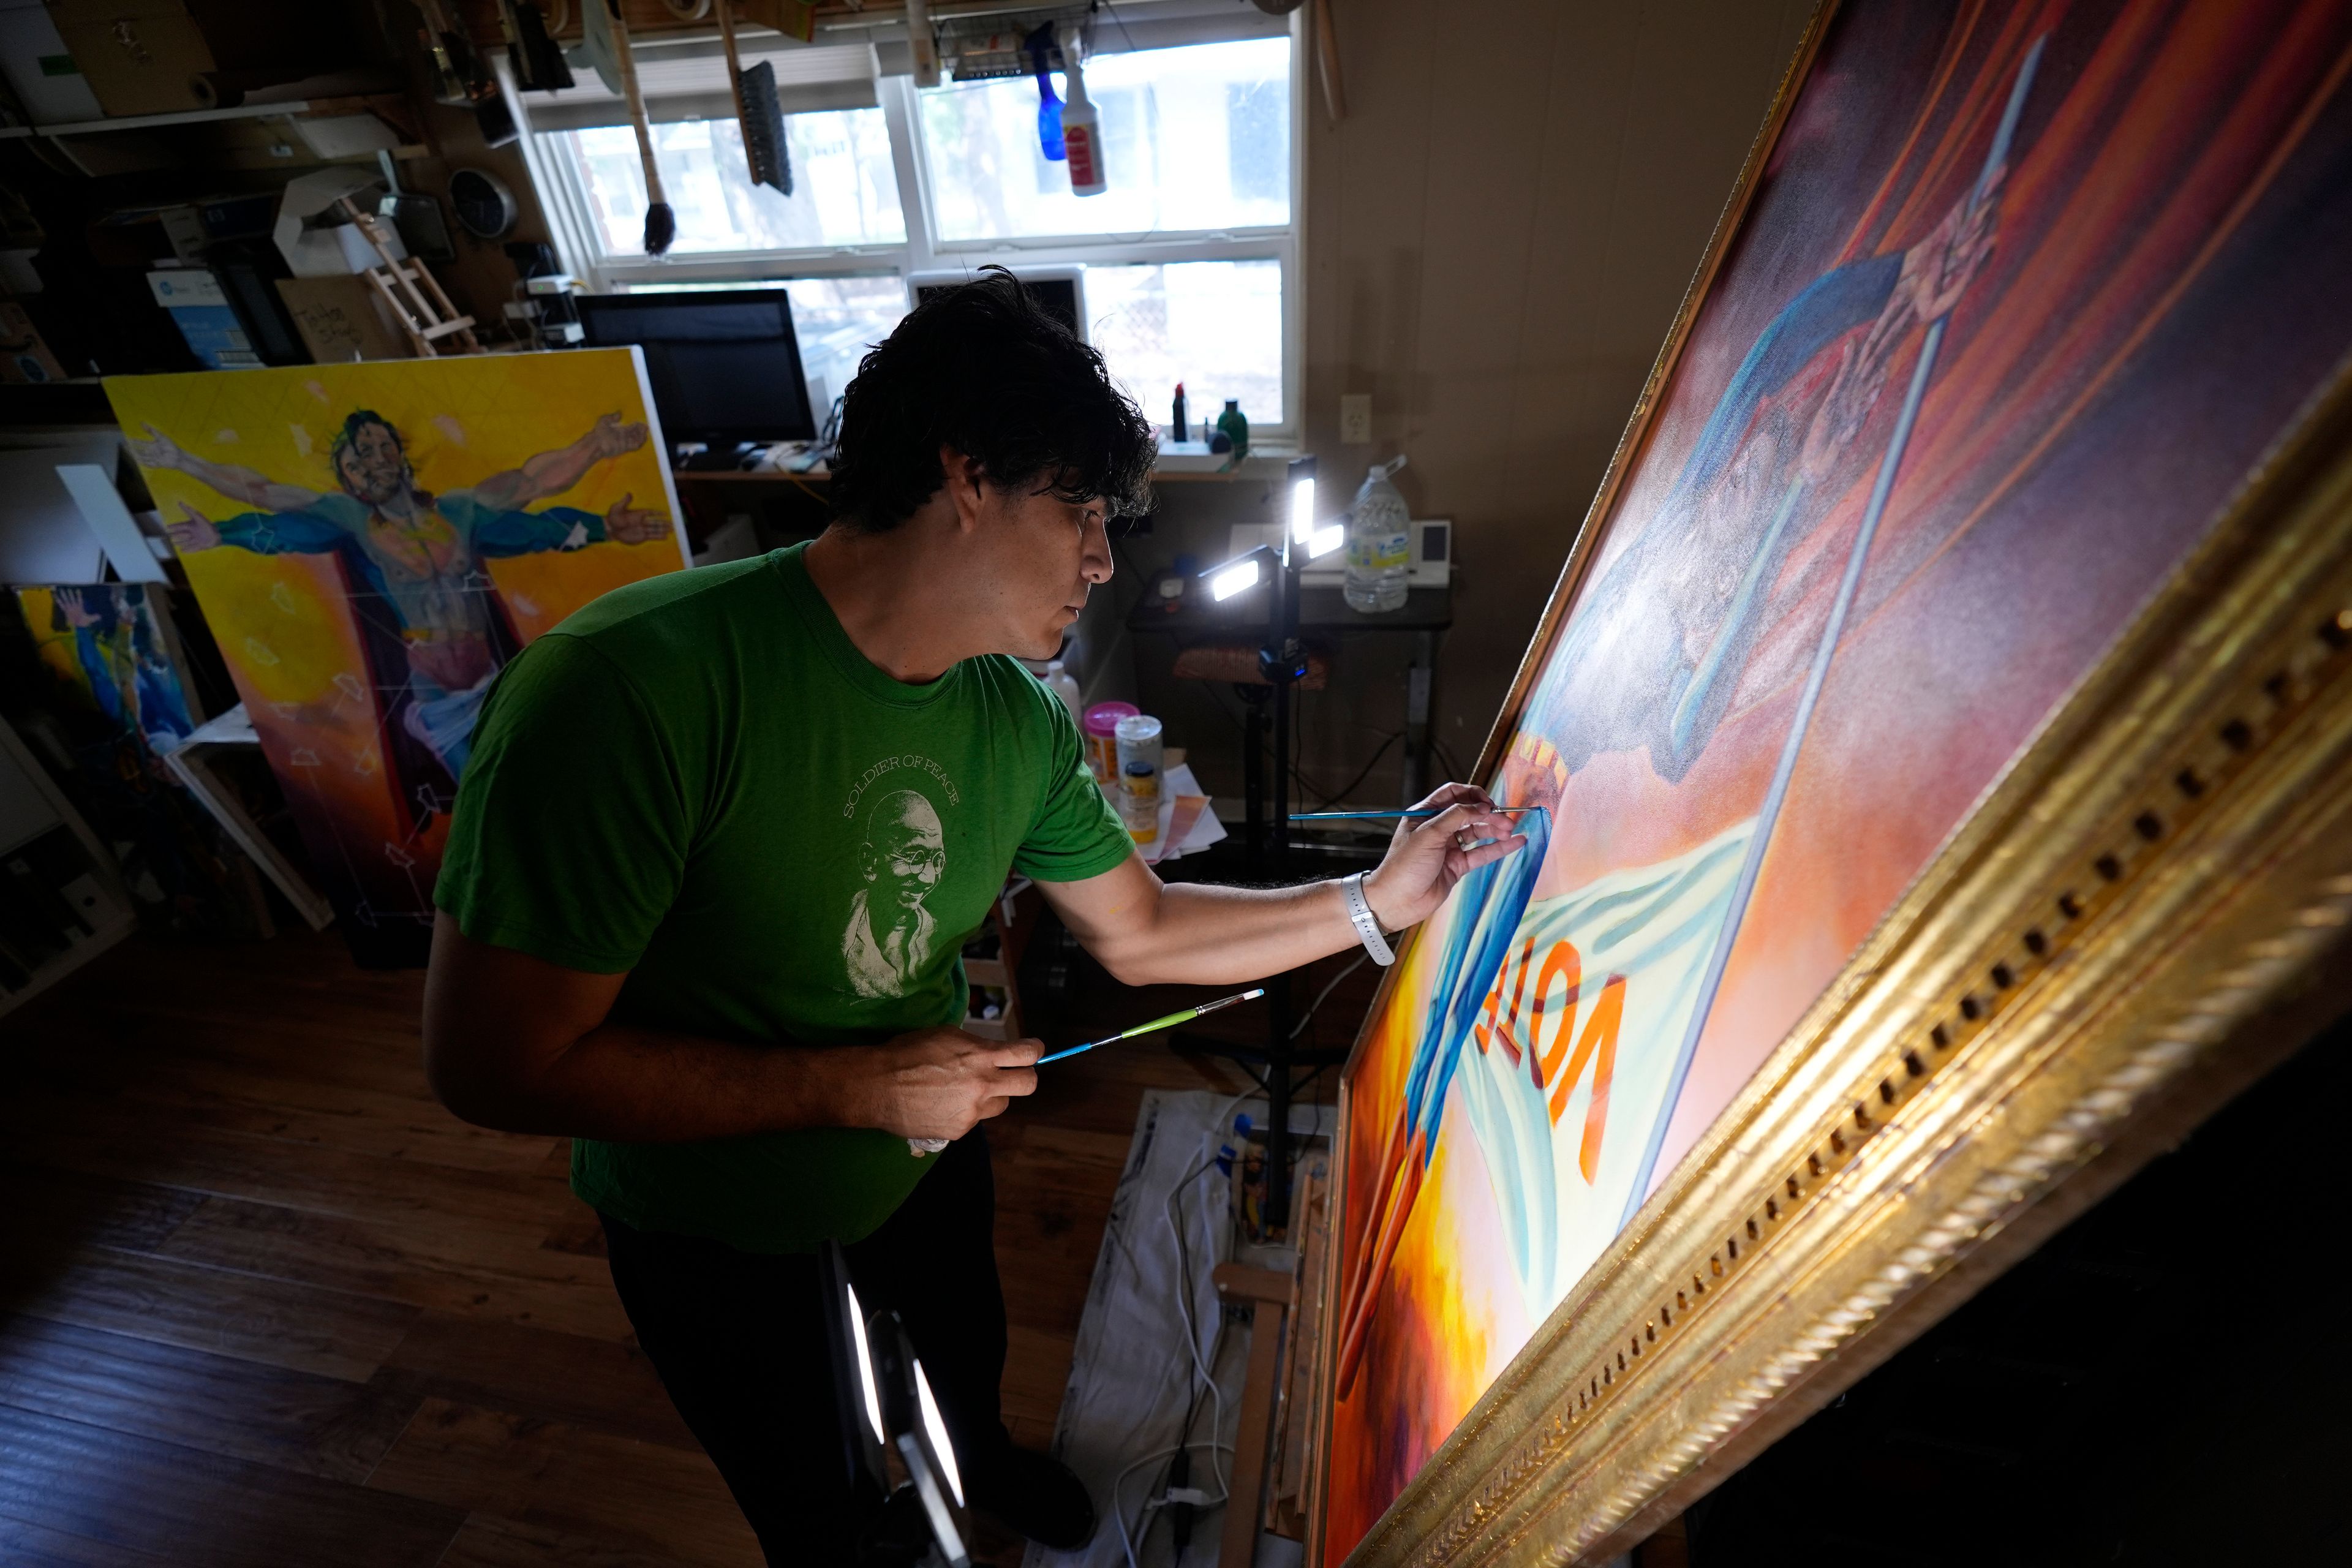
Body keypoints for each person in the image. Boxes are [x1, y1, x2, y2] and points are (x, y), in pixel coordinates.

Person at [420, 269, 1526, 1564]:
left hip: (921, 1145)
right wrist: (859, 1087)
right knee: (823, 1514)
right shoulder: (624, 690)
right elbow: (492, 1064)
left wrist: (1376, 897)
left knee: (967, 1362)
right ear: (968, 476)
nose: (1108, 558)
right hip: (710, 1221)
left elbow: (1145, 930)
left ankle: (987, 1461)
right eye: (1086, 514)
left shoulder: (1016, 714)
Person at [131, 408, 672, 813]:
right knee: (490, 804)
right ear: (347, 479)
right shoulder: (349, 518)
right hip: (435, 692)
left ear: (401, 456)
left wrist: (595, 447)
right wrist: (188, 468)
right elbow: (267, 494)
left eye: (381, 447)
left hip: (497, 676)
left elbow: (531, 483)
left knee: (558, 784)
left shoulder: (459, 509)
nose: (374, 461)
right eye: (358, 457)